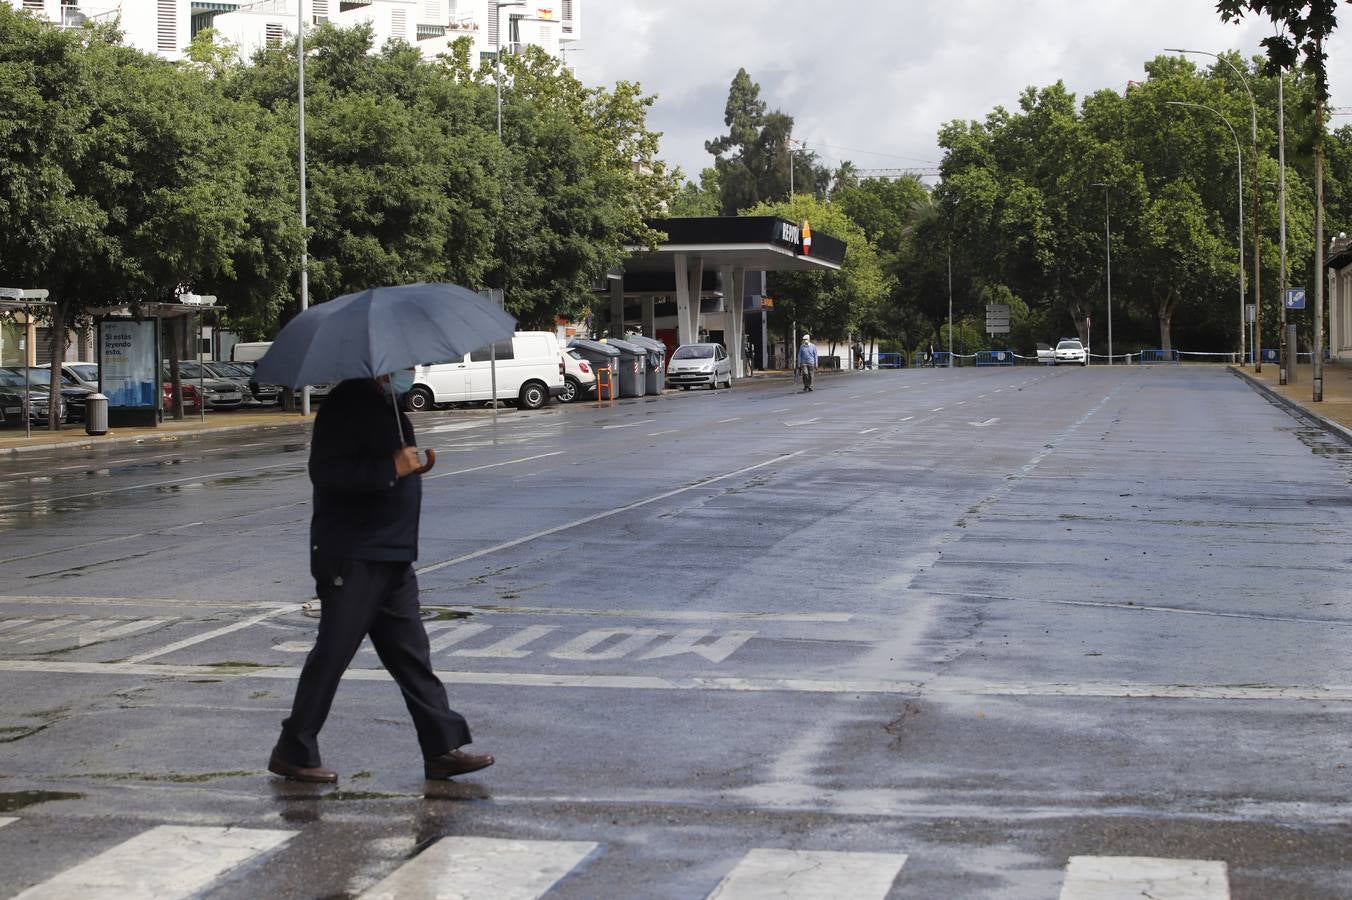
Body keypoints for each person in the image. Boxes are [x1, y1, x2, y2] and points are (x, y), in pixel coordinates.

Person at [267, 371, 494, 784]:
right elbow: (328, 473)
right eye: (403, 361)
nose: (410, 369)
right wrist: (391, 466)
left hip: (391, 555)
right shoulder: (346, 403)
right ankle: (292, 749)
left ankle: (441, 747)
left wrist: (409, 467)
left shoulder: (384, 403)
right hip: (354, 556)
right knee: (333, 654)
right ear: (377, 363)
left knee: (412, 657)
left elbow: (387, 466)